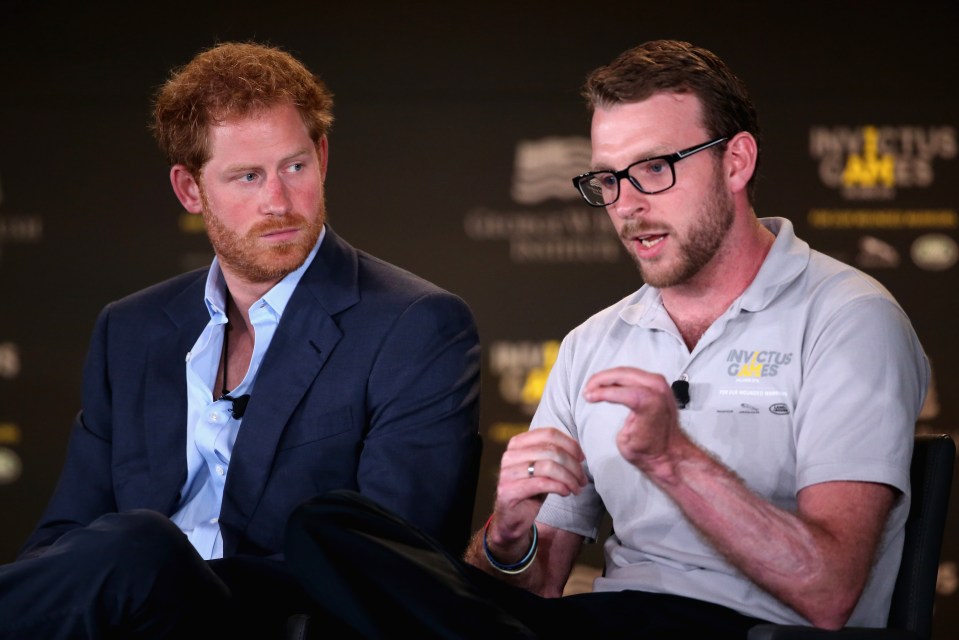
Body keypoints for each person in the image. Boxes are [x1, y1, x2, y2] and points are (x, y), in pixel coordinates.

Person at [282, 39, 929, 638]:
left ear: (735, 162)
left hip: (745, 631)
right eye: (608, 179)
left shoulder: (846, 317)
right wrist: (510, 535)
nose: (625, 205)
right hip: (601, 623)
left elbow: (830, 591)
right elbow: (534, 583)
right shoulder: (595, 341)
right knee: (333, 528)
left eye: (652, 169)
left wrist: (672, 459)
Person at [0, 41, 481, 639]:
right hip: (124, 619)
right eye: (247, 176)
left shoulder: (415, 324)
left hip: (272, 622)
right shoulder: (131, 328)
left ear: (323, 157)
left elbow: (392, 568)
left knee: (144, 542)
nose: (278, 202)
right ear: (189, 190)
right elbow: (60, 538)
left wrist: (168, 573)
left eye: (295, 167)